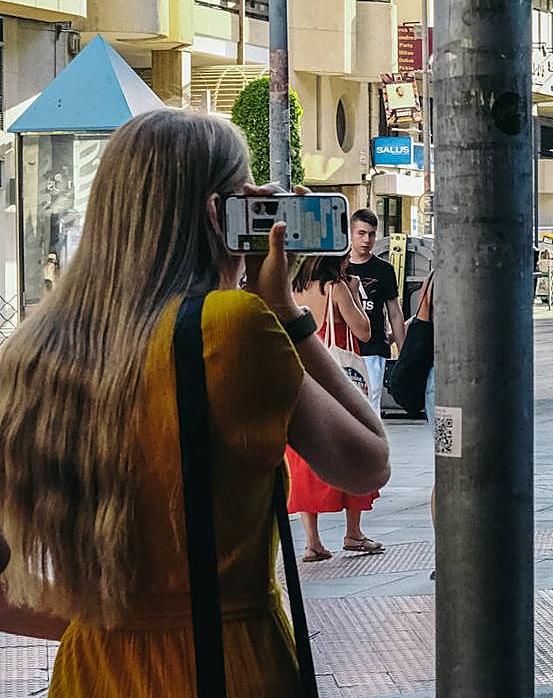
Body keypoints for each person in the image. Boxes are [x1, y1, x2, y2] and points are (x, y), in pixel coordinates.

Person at [0, 110, 390, 693]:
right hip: (224, 666)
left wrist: (116, 619)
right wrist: (285, 311)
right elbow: (366, 462)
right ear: (217, 215)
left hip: (92, 671)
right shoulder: (231, 330)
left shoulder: (32, 353)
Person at [287, 255, 385, 560]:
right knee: (351, 442)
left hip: (304, 373)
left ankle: (312, 541)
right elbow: (364, 330)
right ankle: (353, 532)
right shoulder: (337, 288)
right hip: (336, 376)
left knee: (304, 453)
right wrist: (354, 293)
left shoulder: (294, 290)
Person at [345, 208, 405, 417]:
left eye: (371, 234)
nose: (367, 239)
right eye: (361, 233)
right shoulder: (336, 267)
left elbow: (395, 313)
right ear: (350, 233)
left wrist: (403, 352)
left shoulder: (384, 270)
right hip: (342, 347)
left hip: (373, 349)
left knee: (370, 408)